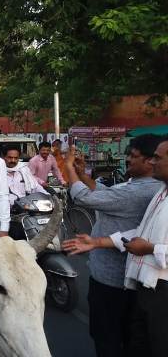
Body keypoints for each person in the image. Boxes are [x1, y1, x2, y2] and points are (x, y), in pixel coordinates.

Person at [63, 136, 168, 357]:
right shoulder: (159, 192)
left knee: (112, 340)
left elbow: (84, 197)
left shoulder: (144, 190)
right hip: (136, 281)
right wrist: (98, 242)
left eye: (134, 156)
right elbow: (138, 230)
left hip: (128, 284)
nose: (127, 159)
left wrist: (69, 167)